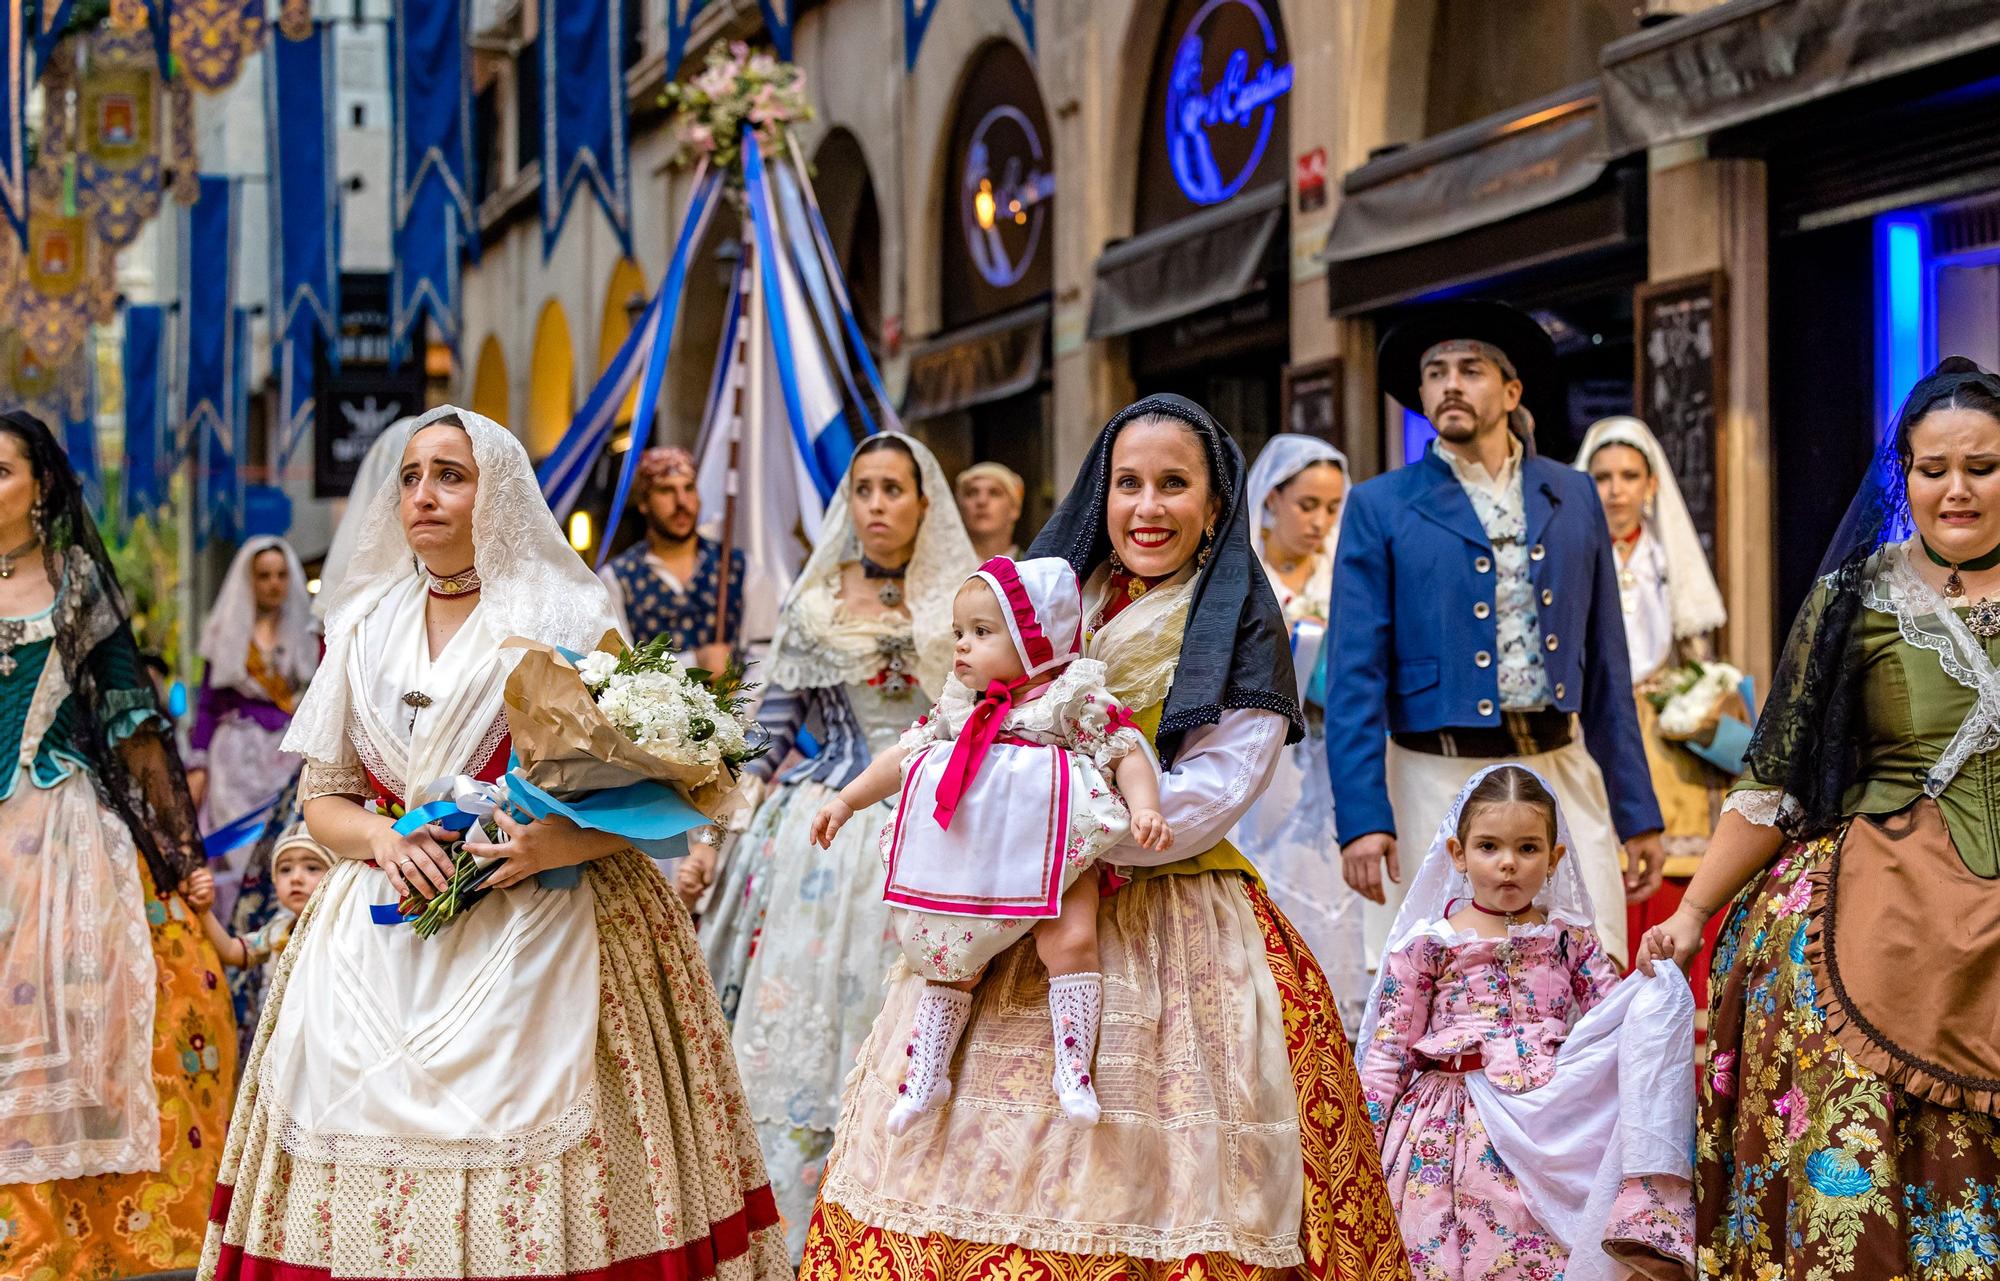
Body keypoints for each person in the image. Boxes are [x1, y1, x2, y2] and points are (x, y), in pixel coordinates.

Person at [801, 395, 1410, 1281]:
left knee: (1151, 1173)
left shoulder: (1238, 612)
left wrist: (1053, 826)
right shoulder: (1055, 596)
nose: (1147, 507)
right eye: (1129, 483)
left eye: (1174, 484)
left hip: (1160, 901)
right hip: (1008, 912)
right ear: (1103, 491)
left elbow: (1215, 787)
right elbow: (958, 718)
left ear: (1215, 502)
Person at [196, 406, 787, 1281]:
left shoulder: (568, 611)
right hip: (382, 929)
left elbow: (645, 777)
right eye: (409, 476)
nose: (424, 494)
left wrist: (557, 844)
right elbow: (325, 799)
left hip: (549, 915)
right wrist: (382, 842)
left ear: (496, 492)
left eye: (450, 475)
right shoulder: (360, 625)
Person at [1634, 358, 2000, 1278]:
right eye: (1933, 468)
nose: (1956, 488)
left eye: (1984, 467)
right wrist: (1690, 910)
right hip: (1875, 909)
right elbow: (1774, 780)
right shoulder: (1855, 598)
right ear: (1903, 475)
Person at [691, 432, 978, 1261]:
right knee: (806, 1039)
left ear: (926, 502)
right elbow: (769, 734)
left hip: (933, 828)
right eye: (865, 489)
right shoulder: (817, 604)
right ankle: (797, 1227)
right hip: (826, 833)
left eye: (894, 488)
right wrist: (712, 837)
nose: (879, 504)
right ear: (847, 505)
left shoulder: (962, 598)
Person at [1329, 300, 1665, 964]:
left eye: (1471, 369)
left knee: (1583, 981)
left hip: (1558, 772)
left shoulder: (1572, 494)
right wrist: (1364, 819)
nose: (1450, 384)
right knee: (1442, 996)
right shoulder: (1381, 505)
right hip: (1432, 781)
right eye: (1435, 372)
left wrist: (1639, 814)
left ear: (1512, 391)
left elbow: (1606, 671)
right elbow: (1354, 677)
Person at [809, 555, 1169, 1133]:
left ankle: (1074, 1066)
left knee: (1072, 940)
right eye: (958, 633)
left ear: (1036, 639)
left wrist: (1146, 806)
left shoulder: (1068, 700)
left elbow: (1123, 749)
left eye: (981, 633)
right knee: (949, 956)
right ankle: (927, 1072)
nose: (962, 647)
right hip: (973, 861)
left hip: (1053, 856)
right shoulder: (962, 709)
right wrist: (846, 800)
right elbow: (904, 755)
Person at [0, 410, 236, 1280]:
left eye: (0, 470)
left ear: (42, 486)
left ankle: (78, 1233)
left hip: (62, 833)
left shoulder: (76, 586)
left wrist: (181, 853)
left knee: (100, 1020)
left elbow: (133, 726)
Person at [1357, 764, 1695, 1281]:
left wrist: (1653, 972)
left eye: (1528, 848)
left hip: (1553, 1123)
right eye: (1489, 847)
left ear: (1555, 857)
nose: (1508, 864)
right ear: (1458, 855)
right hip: (1451, 1131)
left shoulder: (1569, 940)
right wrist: (1362, 1144)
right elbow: (1387, 1053)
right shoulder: (1429, 944)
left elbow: (1615, 1015)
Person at [1578, 417, 1733, 974]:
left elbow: (1695, 646)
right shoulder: (1576, 557)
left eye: (1628, 475)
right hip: (1593, 724)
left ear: (1650, 484)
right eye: (1601, 477)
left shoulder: (1668, 559)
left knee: (1673, 872)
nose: (1616, 489)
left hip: (1666, 735)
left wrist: (1695, 694)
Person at [1234, 433, 1370, 1029]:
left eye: (1332, 508)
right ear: (1271, 500)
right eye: (1306, 505)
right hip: (1259, 748)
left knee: (1328, 886)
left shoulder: (1346, 570)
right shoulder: (1241, 571)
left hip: (1329, 750)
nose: (1319, 521)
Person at [188, 535, 319, 917]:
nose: (274, 584)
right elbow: (208, 704)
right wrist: (198, 764)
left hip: (286, 754)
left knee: (285, 838)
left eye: (281, 575)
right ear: (250, 580)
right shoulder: (227, 633)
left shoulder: (306, 635)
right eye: (264, 576)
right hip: (234, 758)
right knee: (234, 851)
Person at [597, 445, 745, 672]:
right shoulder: (617, 578)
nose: (681, 502)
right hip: (652, 706)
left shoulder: (737, 566)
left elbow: (763, 653)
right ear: (644, 502)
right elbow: (619, 666)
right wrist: (694, 662)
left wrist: (743, 706)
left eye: (689, 488)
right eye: (666, 491)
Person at [182, 824, 331, 969]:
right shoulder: (278, 931)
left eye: (312, 868)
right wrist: (204, 910)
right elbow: (232, 952)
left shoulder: (343, 929)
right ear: (274, 880)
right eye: (285, 869)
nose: (296, 878)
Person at [956, 460, 1024, 561]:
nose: (981, 501)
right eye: (972, 493)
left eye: (994, 493)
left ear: (1015, 509)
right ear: (960, 507)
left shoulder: (1033, 570)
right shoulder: (942, 569)